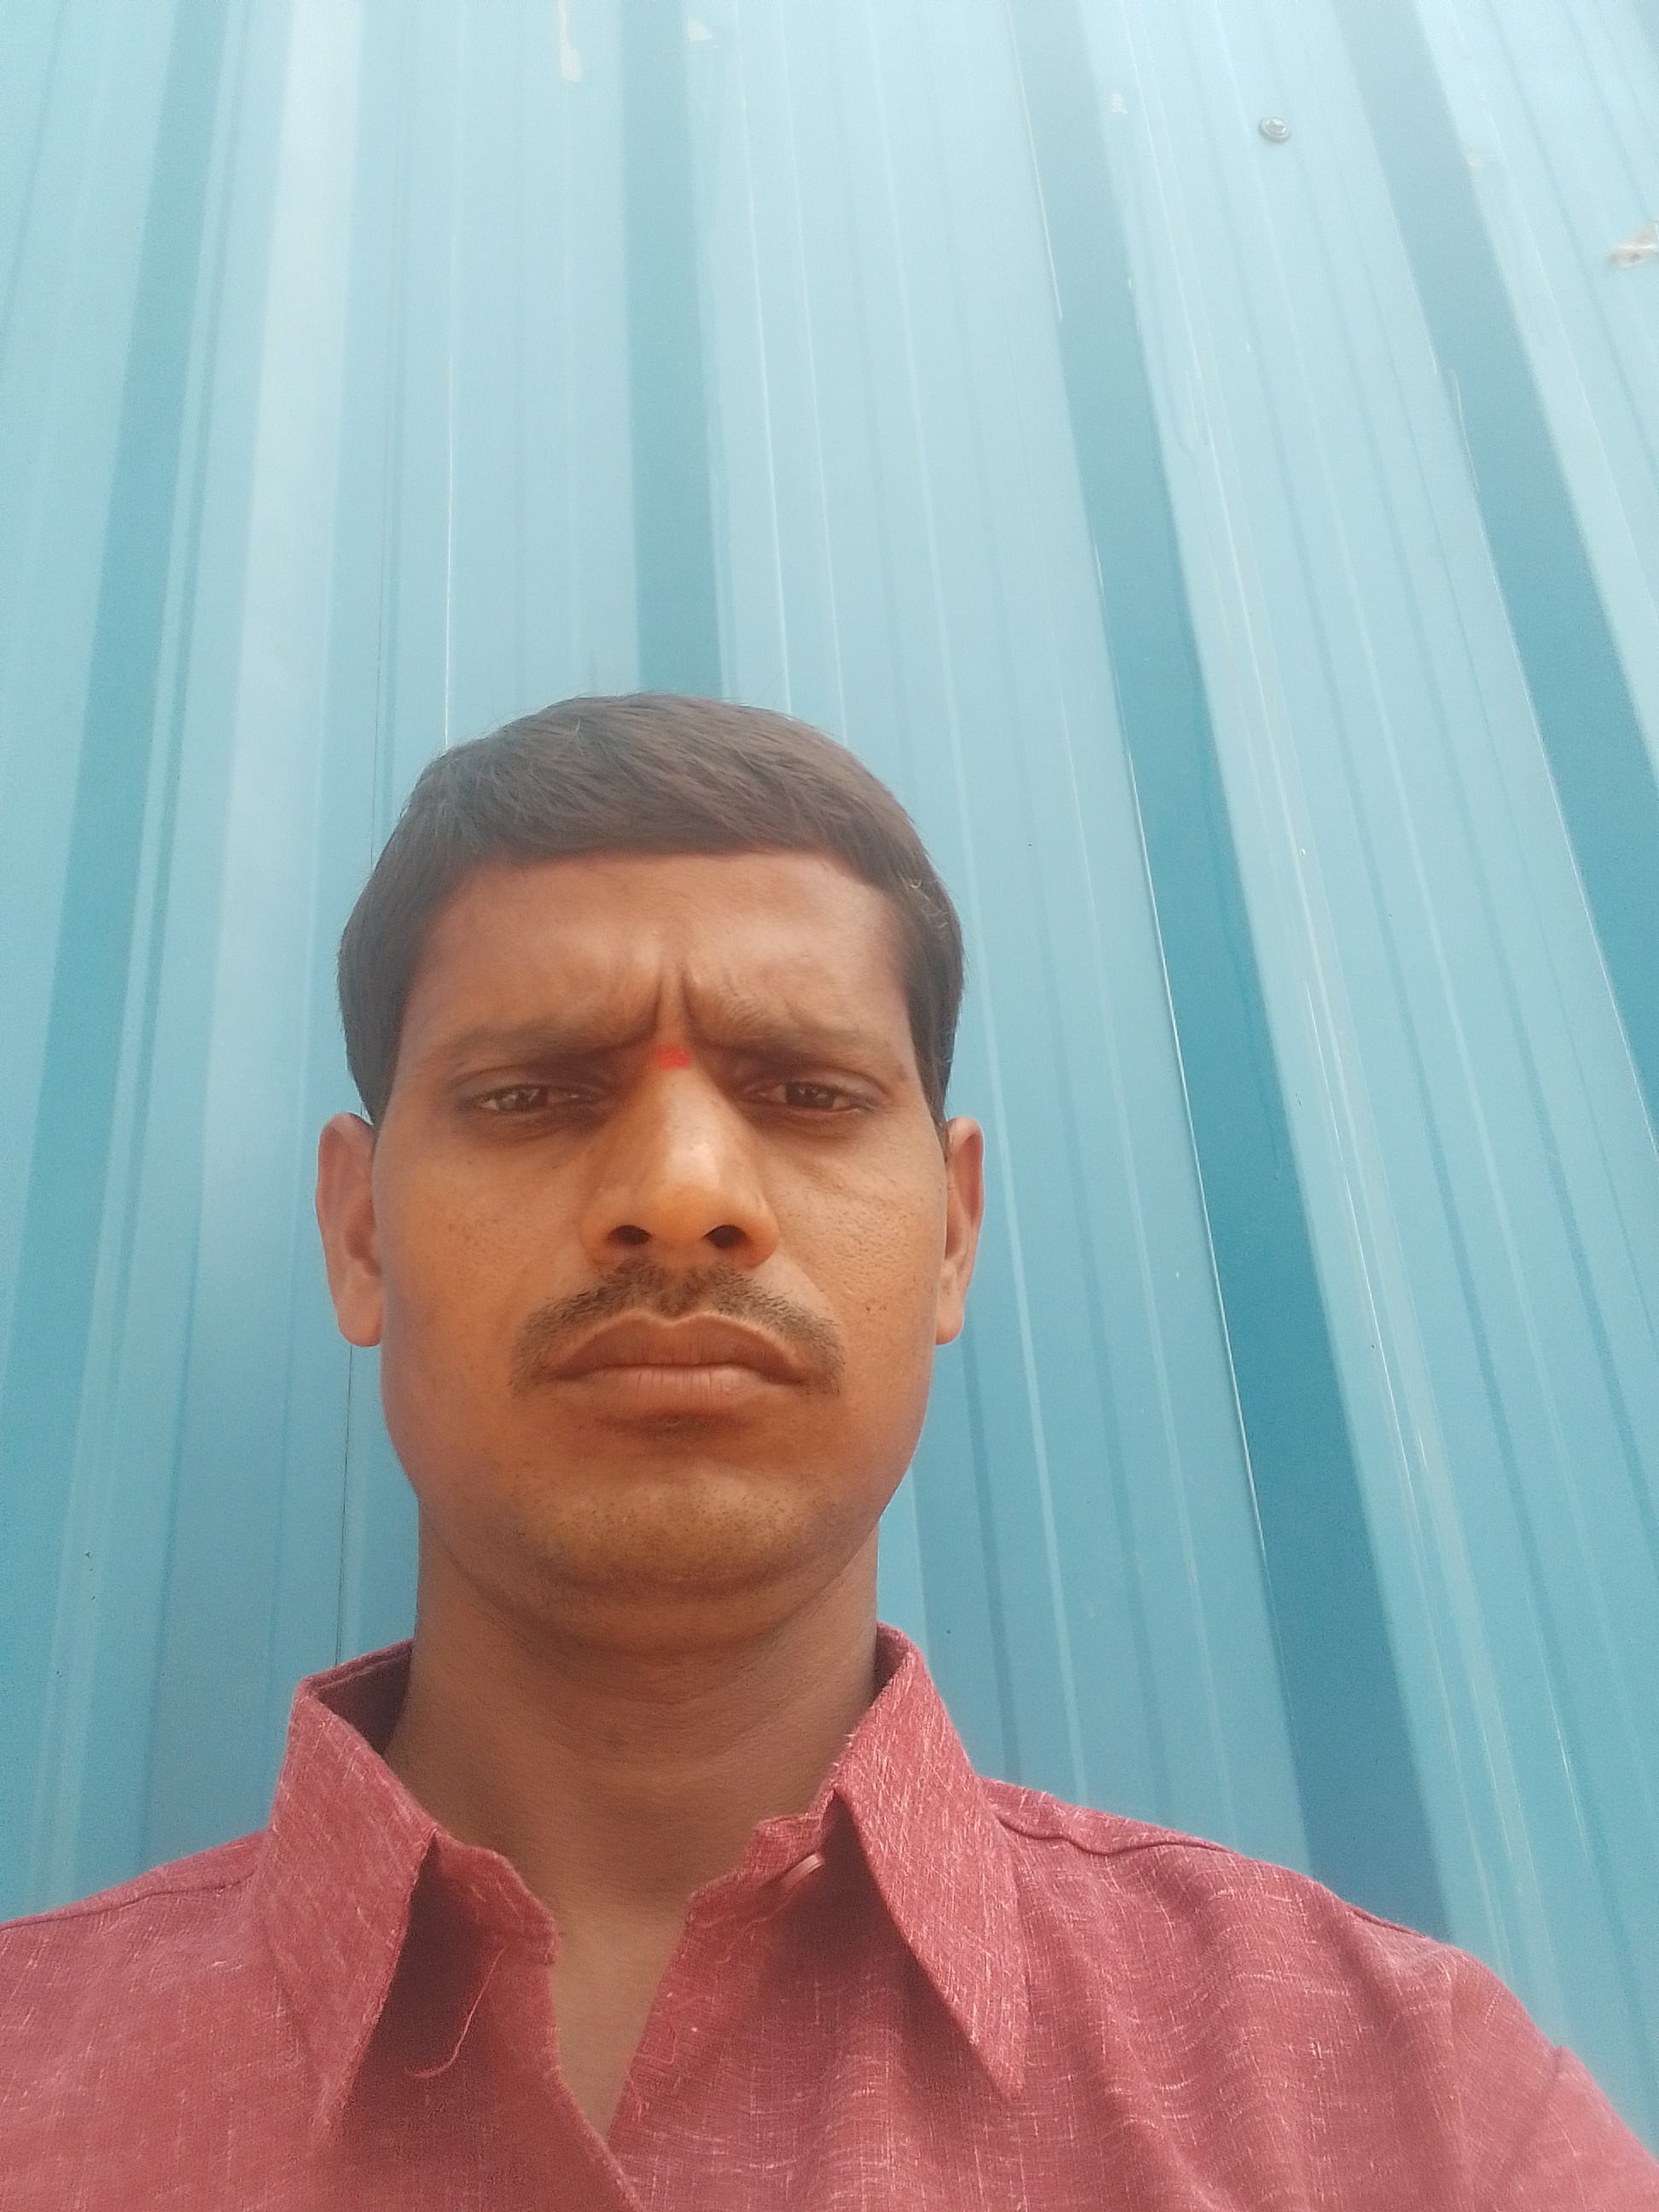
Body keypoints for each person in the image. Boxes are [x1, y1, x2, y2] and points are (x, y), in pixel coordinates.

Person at [3, 694, 1654, 2209]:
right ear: (359, 1234)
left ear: (953, 1235)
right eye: (532, 1096)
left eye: (803, 1093)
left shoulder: (1412, 2114)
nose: (682, 1189)